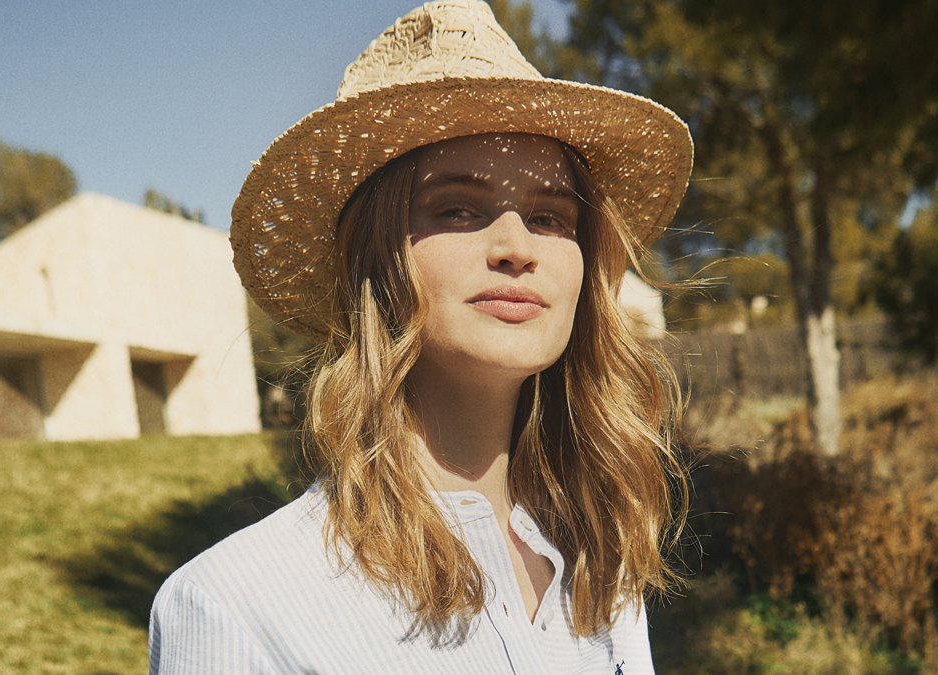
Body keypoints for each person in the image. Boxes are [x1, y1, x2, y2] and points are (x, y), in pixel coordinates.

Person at [148, 1, 693, 672]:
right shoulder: (235, 605)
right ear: (373, 257)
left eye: (551, 216)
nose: (518, 246)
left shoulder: (603, 564)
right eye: (458, 208)